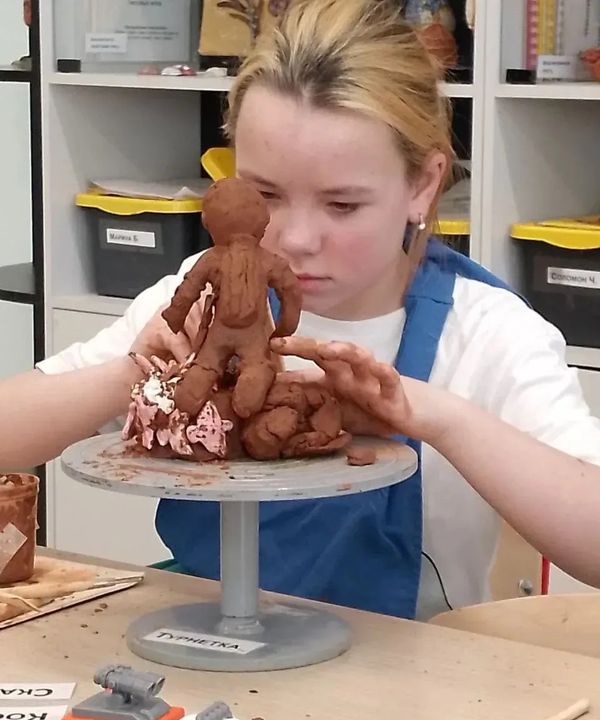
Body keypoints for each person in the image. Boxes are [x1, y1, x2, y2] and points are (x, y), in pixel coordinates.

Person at [7, 0, 600, 619]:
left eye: (342, 206)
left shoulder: (486, 334)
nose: (295, 239)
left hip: (409, 665)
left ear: (423, 185)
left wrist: (440, 419)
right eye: (265, 194)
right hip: (206, 638)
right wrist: (133, 373)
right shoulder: (204, 299)